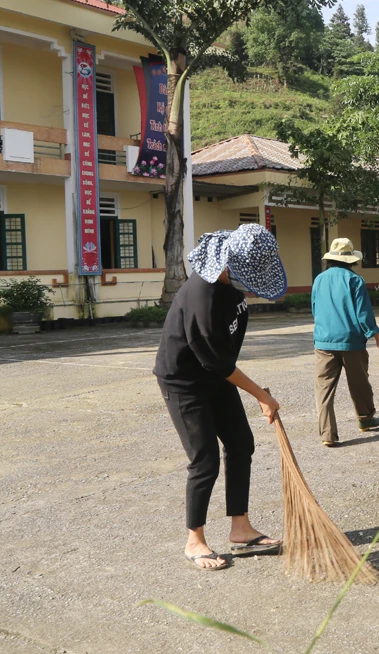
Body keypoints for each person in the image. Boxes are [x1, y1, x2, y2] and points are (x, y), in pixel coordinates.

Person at [153, 224, 288, 570]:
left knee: (241, 444)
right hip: (184, 382)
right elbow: (214, 358)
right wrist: (260, 396)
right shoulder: (202, 294)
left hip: (215, 374)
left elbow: (225, 357)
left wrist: (249, 389)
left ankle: (240, 528)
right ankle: (194, 540)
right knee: (205, 460)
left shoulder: (231, 288)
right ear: (228, 263)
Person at [312, 238, 379, 447]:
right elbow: (363, 314)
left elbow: (315, 307)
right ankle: (365, 419)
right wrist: (377, 335)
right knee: (359, 382)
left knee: (323, 390)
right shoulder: (355, 280)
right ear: (351, 260)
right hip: (351, 341)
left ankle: (327, 435)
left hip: (323, 341)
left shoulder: (319, 279)